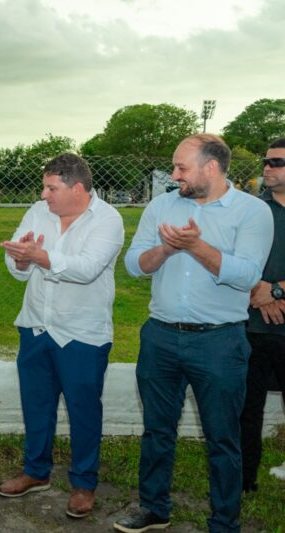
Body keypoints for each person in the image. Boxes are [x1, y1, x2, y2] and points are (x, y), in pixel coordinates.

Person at [114, 134, 274, 533]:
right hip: (160, 337)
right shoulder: (161, 206)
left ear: (212, 167)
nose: (174, 175)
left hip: (219, 342)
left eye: (182, 167)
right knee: (157, 430)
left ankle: (224, 522)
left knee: (223, 437)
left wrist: (196, 246)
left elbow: (247, 275)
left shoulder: (252, 211)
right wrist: (167, 250)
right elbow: (133, 264)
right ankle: (154, 508)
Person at [0, 153, 124, 519]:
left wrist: (40, 256)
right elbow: (18, 264)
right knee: (36, 404)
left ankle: (84, 483)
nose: (44, 194)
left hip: (82, 332)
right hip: (36, 325)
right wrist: (22, 259)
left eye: (51, 188)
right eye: (45, 187)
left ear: (77, 188)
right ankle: (36, 471)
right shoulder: (39, 211)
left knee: (84, 410)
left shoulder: (108, 219)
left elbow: (86, 269)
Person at [240, 138, 285, 492]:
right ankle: (244, 479)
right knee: (247, 407)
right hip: (251, 325)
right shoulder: (252, 210)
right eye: (265, 162)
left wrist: (278, 290)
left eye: (276, 162)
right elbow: (233, 257)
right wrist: (258, 289)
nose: (267, 168)